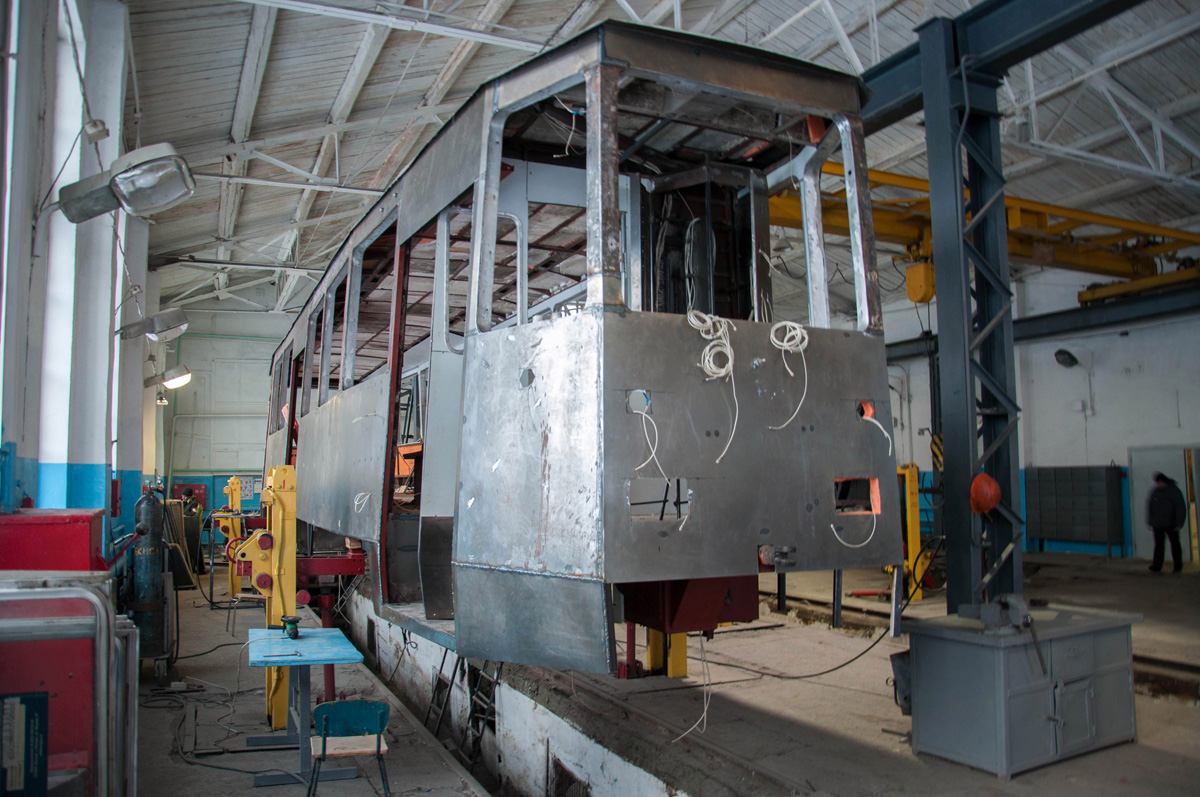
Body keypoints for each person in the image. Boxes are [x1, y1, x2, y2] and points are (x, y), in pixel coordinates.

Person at [1146, 472, 1187, 573]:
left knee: (1175, 545)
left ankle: (1177, 566)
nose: (1158, 485)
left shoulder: (1174, 491)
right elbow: (1150, 507)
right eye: (1157, 483)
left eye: (1159, 482)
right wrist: (1150, 521)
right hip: (1158, 524)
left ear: (1164, 481)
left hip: (1172, 524)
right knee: (1159, 545)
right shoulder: (1155, 492)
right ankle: (1157, 566)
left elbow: (1180, 508)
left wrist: (1179, 523)